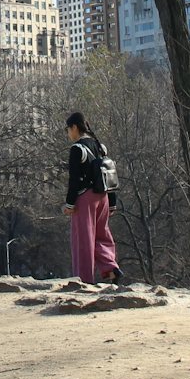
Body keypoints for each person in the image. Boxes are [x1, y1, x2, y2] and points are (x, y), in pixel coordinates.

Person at [64, 111, 122, 286]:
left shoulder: (77, 149)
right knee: (101, 235)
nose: (68, 133)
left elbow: (73, 180)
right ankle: (110, 268)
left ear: (74, 127)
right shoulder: (99, 146)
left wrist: (69, 203)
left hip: (85, 199)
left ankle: (84, 280)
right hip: (103, 196)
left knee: (83, 240)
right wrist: (112, 202)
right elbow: (108, 172)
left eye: (68, 129)